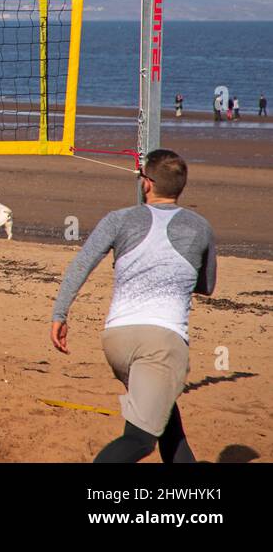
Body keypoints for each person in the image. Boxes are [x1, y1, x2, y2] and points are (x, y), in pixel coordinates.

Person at [50, 149, 215, 463]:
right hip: (161, 342)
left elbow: (80, 265)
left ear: (147, 184)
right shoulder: (200, 227)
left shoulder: (118, 219)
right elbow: (206, 286)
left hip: (117, 340)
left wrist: (60, 314)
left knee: (167, 423)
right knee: (139, 439)